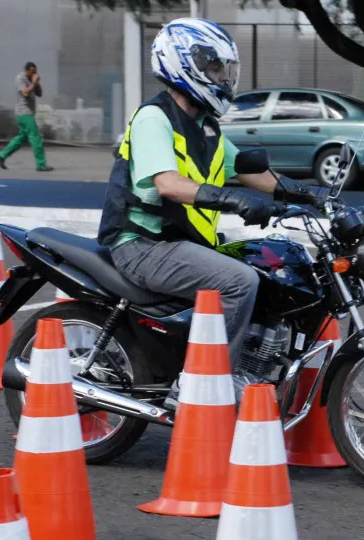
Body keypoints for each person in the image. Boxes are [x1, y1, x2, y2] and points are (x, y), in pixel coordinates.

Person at [97, 18, 330, 409]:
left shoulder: (206, 127)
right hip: (142, 243)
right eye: (213, 68)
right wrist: (234, 201)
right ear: (182, 64)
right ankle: (200, 383)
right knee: (239, 282)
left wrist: (309, 193)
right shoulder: (154, 118)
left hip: (180, 241)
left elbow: (251, 172)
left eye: (224, 69)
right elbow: (168, 184)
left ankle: (249, 365)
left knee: (267, 267)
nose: (222, 77)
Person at [0, 61, 54, 172]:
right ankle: (41, 165)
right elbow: (25, 93)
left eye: (35, 72)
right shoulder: (20, 78)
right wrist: (33, 82)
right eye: (32, 72)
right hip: (24, 112)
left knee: (22, 137)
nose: (34, 74)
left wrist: (37, 83)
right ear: (27, 70)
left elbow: (39, 94)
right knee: (36, 138)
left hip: (28, 113)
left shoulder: (32, 79)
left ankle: (2, 156)